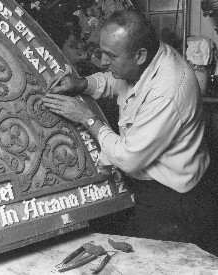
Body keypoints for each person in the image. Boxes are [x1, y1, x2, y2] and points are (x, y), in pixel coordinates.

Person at [42, 10, 218, 255]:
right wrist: (85, 83)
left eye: (110, 55)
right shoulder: (147, 58)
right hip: (150, 186)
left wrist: (86, 118)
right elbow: (121, 78)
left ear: (140, 55)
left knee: (153, 263)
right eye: (102, 52)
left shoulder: (167, 90)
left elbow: (129, 156)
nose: (103, 61)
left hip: (173, 199)